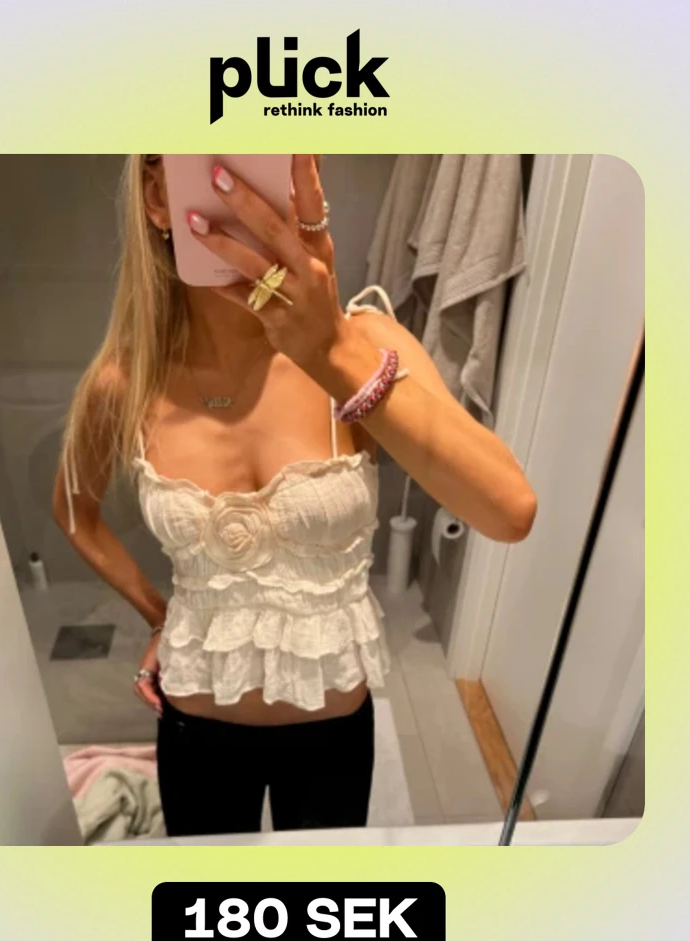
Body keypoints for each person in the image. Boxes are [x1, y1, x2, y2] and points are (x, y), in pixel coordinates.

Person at [53, 154, 537, 836]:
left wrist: (334, 352)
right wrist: (160, 618)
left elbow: (510, 510)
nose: (241, 196)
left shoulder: (364, 344)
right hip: (197, 716)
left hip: (332, 724)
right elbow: (74, 511)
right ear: (157, 196)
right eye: (215, 169)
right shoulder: (126, 380)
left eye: (265, 165)